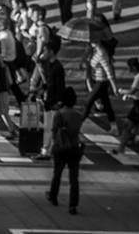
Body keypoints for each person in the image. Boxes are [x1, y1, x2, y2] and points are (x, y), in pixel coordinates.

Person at [46, 86, 84, 215]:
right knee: (74, 178)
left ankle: (53, 195)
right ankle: (73, 204)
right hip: (74, 147)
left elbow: (54, 132)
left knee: (57, 173)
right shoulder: (78, 115)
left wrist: (51, 147)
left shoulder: (59, 114)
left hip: (61, 147)